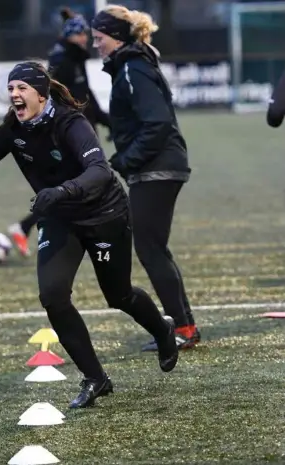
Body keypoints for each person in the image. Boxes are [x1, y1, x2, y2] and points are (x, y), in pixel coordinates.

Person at [0, 61, 178, 408]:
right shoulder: (14, 127)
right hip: (60, 219)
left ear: (41, 95)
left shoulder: (71, 122)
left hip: (105, 216)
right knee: (53, 295)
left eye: (22, 88)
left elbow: (100, 172)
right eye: (11, 88)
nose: (14, 94)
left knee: (118, 295)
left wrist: (62, 191)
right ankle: (95, 378)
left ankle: (163, 329)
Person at [91, 5, 200, 351]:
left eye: (100, 38)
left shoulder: (132, 70)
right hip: (156, 167)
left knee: (151, 249)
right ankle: (183, 324)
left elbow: (157, 124)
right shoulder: (131, 66)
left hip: (157, 168)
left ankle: (182, 328)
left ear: (118, 38)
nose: (96, 44)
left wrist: (126, 159)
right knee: (154, 248)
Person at [7, 7, 111, 258]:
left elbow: (86, 95)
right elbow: (52, 99)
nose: (85, 39)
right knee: (86, 182)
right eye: (81, 35)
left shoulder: (74, 57)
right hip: (70, 134)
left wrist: (108, 122)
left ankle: (26, 227)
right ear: (71, 36)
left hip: (81, 130)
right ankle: (29, 227)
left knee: (78, 184)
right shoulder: (62, 60)